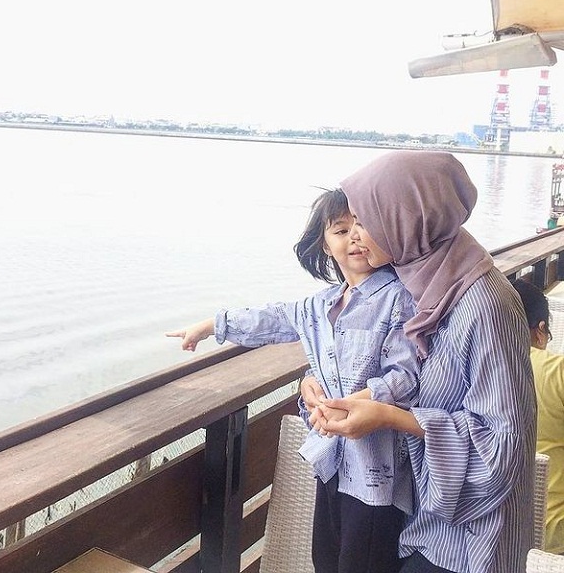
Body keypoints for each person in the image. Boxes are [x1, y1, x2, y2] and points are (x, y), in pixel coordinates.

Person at [302, 151, 536, 573]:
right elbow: (384, 361)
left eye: (366, 220)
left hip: (467, 541)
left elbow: (503, 447)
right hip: (419, 519)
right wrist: (314, 382)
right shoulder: (426, 286)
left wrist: (390, 417)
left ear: (407, 220)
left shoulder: (485, 305)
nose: (357, 235)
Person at [166, 187, 419, 573]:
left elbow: (405, 376)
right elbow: (272, 319)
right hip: (331, 461)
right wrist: (211, 326)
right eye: (340, 230)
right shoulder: (320, 305)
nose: (354, 236)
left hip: (376, 471)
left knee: (365, 564)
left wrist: (353, 402)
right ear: (324, 245)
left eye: (363, 225)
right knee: (325, 560)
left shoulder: (399, 298)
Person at [512, 277, 564, 555]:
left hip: (494, 532)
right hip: (554, 532)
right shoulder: (556, 371)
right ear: (540, 330)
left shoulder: (470, 366)